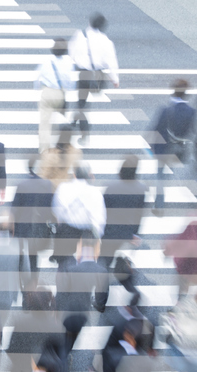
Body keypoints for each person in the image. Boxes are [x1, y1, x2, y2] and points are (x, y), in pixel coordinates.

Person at [101, 155, 146, 305]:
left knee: (104, 263)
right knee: (120, 262)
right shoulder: (140, 189)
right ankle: (131, 288)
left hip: (109, 232)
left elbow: (103, 211)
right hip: (125, 233)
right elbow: (139, 213)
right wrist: (135, 233)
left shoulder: (111, 187)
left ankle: (101, 299)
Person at [69, 13, 119, 139]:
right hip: (98, 76)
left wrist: (78, 60)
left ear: (90, 23)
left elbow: (72, 52)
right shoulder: (106, 41)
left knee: (82, 102)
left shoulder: (80, 35)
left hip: (84, 73)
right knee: (83, 103)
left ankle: (84, 131)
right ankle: (75, 119)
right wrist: (115, 79)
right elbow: (111, 62)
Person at [149, 80, 196, 213]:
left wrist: (151, 145)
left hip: (163, 149)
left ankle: (159, 205)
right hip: (179, 150)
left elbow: (155, 129)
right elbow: (191, 131)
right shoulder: (192, 112)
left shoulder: (165, 110)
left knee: (160, 177)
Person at [9, 155, 55, 281]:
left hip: (22, 229)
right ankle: (32, 285)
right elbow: (51, 207)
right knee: (34, 258)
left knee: (22, 256)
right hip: (38, 228)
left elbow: (14, 209)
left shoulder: (22, 185)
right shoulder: (47, 185)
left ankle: (21, 281)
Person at [52, 165, 106, 269]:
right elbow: (99, 218)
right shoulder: (95, 193)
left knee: (63, 263)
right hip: (86, 234)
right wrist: (98, 236)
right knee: (85, 264)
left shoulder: (63, 188)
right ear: (88, 176)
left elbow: (57, 210)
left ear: (74, 175)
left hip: (66, 230)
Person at [35, 39, 75, 152]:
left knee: (45, 124)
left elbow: (37, 78)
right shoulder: (68, 63)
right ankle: (63, 144)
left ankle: (44, 150)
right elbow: (69, 83)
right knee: (62, 120)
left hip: (47, 93)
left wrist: (38, 89)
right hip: (60, 93)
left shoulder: (46, 62)